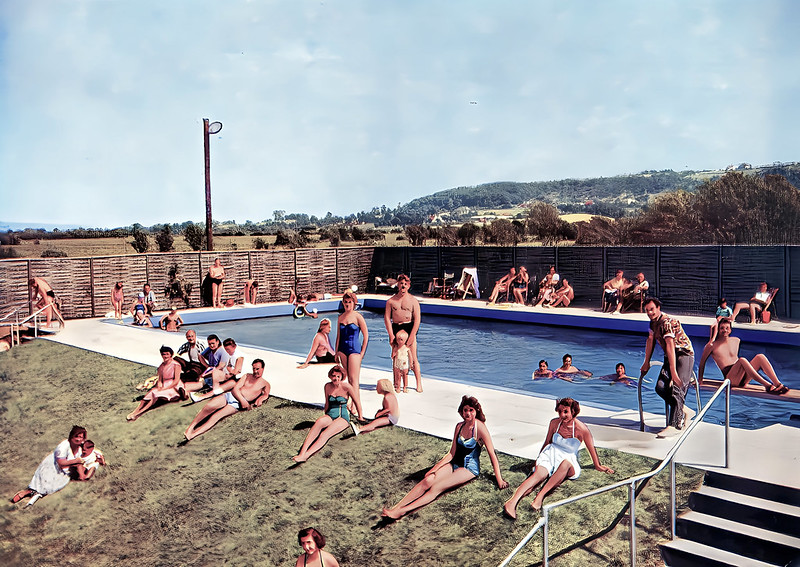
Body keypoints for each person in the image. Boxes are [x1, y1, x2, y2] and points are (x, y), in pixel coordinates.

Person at [381, 395, 508, 520]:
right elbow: (451, 453)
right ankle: (396, 507)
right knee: (428, 480)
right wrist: (434, 470)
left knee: (436, 487)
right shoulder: (459, 426)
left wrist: (499, 480)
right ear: (461, 412)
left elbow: (492, 454)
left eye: (471, 410)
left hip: (469, 469)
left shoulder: (480, 428)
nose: (468, 413)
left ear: (476, 411)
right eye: (465, 410)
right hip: (454, 463)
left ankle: (402, 511)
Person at [502, 398, 613, 519]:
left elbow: (591, 449)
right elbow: (547, 442)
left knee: (565, 464)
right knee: (539, 475)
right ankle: (512, 502)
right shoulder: (554, 423)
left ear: (573, 412)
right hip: (551, 453)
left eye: (565, 412)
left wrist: (598, 466)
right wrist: (538, 459)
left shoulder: (582, 429)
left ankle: (540, 496)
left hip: (568, 458)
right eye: (559, 411)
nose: (562, 415)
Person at [640, 297, 695, 438]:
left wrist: (674, 372)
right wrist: (646, 362)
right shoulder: (653, 323)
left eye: (652, 309)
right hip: (670, 356)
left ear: (658, 308)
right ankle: (685, 410)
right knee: (660, 387)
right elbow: (650, 341)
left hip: (683, 354)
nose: (650, 313)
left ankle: (675, 425)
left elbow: (670, 346)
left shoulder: (666, 322)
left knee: (677, 388)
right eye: (647, 310)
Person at [183, 359, 271, 441]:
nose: (255, 371)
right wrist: (243, 401)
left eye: (257, 369)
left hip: (236, 405)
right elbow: (235, 389)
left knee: (216, 417)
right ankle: (190, 429)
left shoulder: (265, 384)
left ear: (263, 369)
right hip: (231, 395)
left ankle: (193, 435)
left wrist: (260, 400)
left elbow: (266, 394)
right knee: (209, 406)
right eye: (254, 368)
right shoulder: (247, 376)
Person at [292, 365, 363, 463]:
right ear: (330, 376)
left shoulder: (347, 387)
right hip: (330, 415)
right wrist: (325, 416)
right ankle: (302, 452)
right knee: (319, 422)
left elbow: (357, 402)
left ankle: (306, 456)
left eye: (338, 376)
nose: (336, 378)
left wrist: (360, 417)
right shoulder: (327, 386)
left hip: (342, 417)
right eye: (334, 376)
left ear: (342, 377)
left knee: (324, 434)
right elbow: (327, 403)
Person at [697, 319, 789, 394]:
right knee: (742, 360)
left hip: (742, 377)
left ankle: (778, 384)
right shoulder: (712, 346)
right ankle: (767, 385)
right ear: (718, 330)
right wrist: (700, 380)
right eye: (722, 328)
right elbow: (702, 363)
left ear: (730, 330)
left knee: (760, 357)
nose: (725, 330)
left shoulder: (736, 340)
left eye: (727, 328)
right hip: (731, 379)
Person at [11, 426, 87, 507]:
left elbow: (79, 462)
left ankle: (33, 494)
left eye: (81, 437)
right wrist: (76, 461)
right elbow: (61, 463)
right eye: (76, 436)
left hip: (64, 471)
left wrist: (82, 474)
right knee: (41, 485)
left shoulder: (79, 449)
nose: (78, 439)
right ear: (71, 436)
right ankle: (27, 493)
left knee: (47, 489)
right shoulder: (63, 446)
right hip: (52, 467)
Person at [384, 274, 423, 392]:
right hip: (396, 328)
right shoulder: (391, 301)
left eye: (405, 284)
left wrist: (412, 335)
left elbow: (417, 320)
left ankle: (418, 383)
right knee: (395, 357)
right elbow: (387, 318)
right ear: (398, 285)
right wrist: (391, 334)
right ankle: (396, 384)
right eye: (401, 283)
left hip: (408, 327)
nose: (403, 286)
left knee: (413, 357)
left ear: (409, 286)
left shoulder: (413, 301)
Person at [127, 346, 186, 421]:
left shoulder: (176, 365)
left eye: (167, 354)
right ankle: (135, 411)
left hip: (174, 387)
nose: (165, 356)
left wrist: (166, 388)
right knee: (149, 394)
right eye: (163, 354)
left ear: (171, 354)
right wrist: (160, 386)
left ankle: (138, 414)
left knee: (155, 395)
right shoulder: (162, 366)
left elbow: (176, 380)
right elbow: (160, 379)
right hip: (164, 384)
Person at [335, 289, 368, 414]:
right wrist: (336, 352)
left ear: (354, 303)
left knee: (354, 380)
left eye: (350, 302)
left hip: (355, 350)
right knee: (349, 379)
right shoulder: (340, 317)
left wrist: (362, 352)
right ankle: (351, 402)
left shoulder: (358, 317)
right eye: (345, 302)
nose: (347, 304)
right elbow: (338, 336)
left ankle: (356, 406)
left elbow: (366, 336)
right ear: (343, 303)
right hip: (342, 350)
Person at [190, 337, 244, 402]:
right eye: (226, 350)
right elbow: (229, 368)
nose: (227, 351)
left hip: (238, 380)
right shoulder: (230, 354)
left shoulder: (239, 356)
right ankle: (214, 389)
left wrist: (230, 371)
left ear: (234, 346)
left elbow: (236, 372)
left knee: (220, 388)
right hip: (231, 377)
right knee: (215, 372)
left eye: (228, 349)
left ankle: (200, 398)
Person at [392, 329, 412, 393]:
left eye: (401, 339)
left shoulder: (407, 348)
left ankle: (405, 387)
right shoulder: (396, 348)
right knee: (398, 377)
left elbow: (410, 357)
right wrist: (393, 353)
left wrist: (411, 364)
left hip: (404, 365)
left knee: (405, 376)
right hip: (397, 364)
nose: (399, 341)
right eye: (397, 339)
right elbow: (393, 356)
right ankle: (398, 387)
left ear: (405, 340)